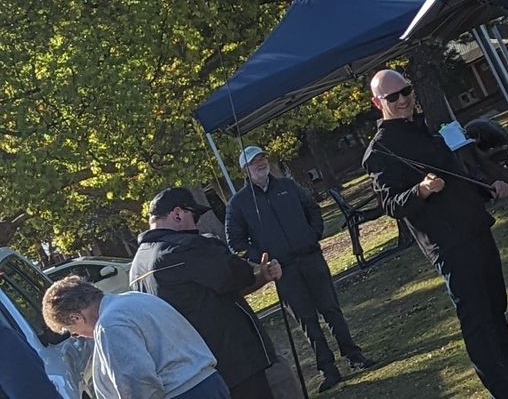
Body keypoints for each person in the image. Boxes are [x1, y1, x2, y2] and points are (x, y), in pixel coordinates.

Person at [361, 70, 508, 399]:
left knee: (494, 310)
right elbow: (390, 203)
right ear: (378, 103)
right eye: (393, 97)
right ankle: (507, 391)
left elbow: (458, 181)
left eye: (406, 90)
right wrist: (420, 190)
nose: (403, 100)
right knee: (478, 321)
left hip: (474, 228)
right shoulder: (380, 151)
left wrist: (489, 190)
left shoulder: (425, 130)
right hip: (449, 244)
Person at [225, 146, 373, 390]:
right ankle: (328, 369)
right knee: (307, 320)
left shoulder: (288, 186)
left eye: (262, 158)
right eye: (254, 162)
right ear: (244, 170)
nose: (260, 164)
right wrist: (261, 258)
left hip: (311, 258)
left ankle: (354, 356)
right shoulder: (238, 204)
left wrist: (313, 235)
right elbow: (235, 242)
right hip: (282, 269)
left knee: (331, 310)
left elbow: (313, 209)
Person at [128, 189, 280, 399]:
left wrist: (262, 276)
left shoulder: (136, 267)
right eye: (195, 216)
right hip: (233, 361)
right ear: (178, 214)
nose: (197, 225)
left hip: (191, 374)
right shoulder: (185, 247)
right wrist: (215, 244)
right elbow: (238, 275)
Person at [40, 277, 230, 399]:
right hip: (209, 382)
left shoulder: (110, 325)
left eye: (72, 330)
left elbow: (137, 383)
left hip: (181, 392)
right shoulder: (135, 299)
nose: (78, 336)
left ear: (76, 317)